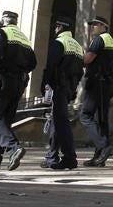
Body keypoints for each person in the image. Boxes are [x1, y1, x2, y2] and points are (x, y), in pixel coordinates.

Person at [0, 10, 37, 171]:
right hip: (20, 82)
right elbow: (33, 63)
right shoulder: (23, 38)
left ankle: (13, 148)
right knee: (5, 120)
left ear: (4, 20)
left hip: (4, 79)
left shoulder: (2, 32)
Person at [40, 17, 84, 170]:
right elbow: (80, 72)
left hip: (58, 87)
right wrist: (73, 90)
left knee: (61, 123)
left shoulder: (59, 42)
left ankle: (70, 158)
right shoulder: (78, 46)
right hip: (69, 89)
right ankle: (52, 157)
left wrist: (44, 86)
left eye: (55, 27)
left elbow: (51, 66)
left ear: (59, 27)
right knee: (57, 122)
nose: (54, 29)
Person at [80, 16, 113, 167]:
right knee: (102, 120)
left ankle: (104, 146)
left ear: (103, 26)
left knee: (85, 115)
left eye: (95, 25)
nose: (92, 27)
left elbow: (88, 59)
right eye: (92, 25)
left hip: (97, 82)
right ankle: (99, 157)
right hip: (107, 83)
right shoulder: (111, 41)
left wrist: (80, 58)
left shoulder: (99, 39)